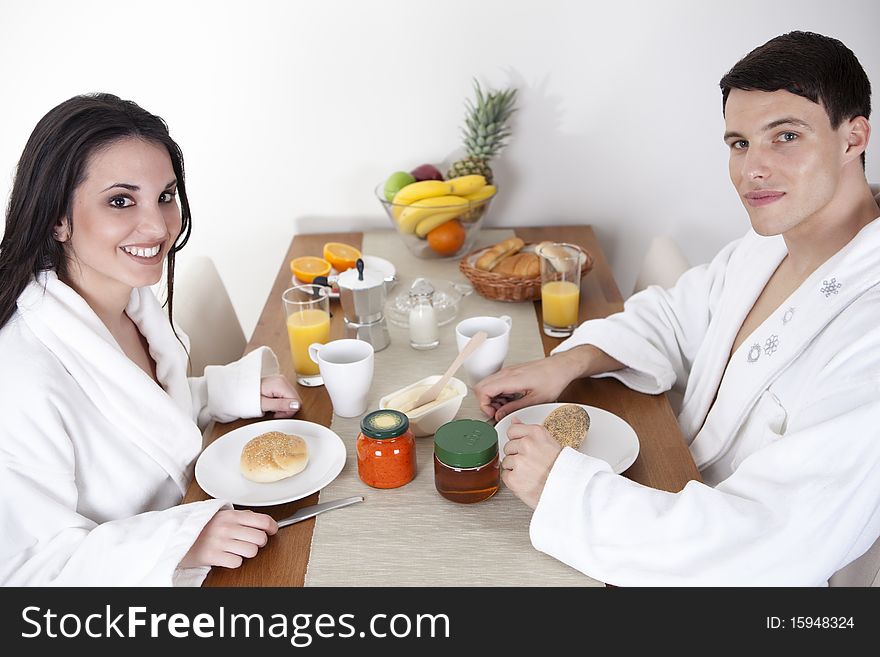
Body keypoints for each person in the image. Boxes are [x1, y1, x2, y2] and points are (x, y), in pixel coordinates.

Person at [476, 31, 880, 586]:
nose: (751, 170)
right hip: (663, 490)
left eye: (785, 136)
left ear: (853, 136)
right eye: (738, 143)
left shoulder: (869, 333)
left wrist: (563, 489)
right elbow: (673, 316)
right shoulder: (767, 245)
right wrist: (566, 364)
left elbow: (772, 543)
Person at [0, 93, 303, 585]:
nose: (158, 225)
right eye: (121, 201)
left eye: (165, 196)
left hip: (209, 528)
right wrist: (178, 542)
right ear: (57, 218)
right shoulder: (19, 377)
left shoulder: (132, 304)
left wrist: (225, 393)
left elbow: (147, 417)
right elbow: (25, 570)